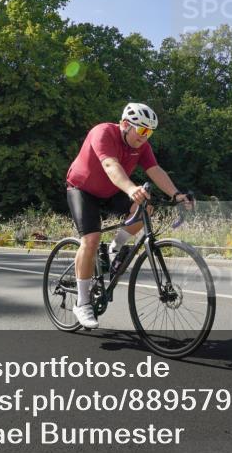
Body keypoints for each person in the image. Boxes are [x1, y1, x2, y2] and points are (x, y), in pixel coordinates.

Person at [65, 102, 193, 329]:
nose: (145, 137)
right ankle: (82, 302)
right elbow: (109, 164)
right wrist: (131, 189)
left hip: (111, 190)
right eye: (142, 130)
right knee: (91, 240)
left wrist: (176, 194)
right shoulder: (103, 132)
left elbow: (155, 170)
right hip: (82, 189)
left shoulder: (142, 146)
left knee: (145, 210)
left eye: (150, 132)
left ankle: (115, 249)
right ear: (125, 124)